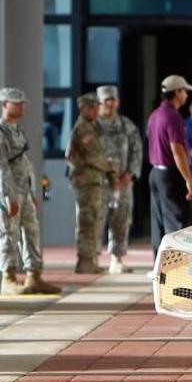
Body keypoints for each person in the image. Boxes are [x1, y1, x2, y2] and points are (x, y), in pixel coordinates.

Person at [0, 87, 61, 295]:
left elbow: (24, 164)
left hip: (23, 193)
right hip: (7, 194)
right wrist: (9, 197)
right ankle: (7, 278)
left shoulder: (16, 131)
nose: (21, 106)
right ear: (4, 104)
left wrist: (32, 193)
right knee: (8, 235)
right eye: (17, 103)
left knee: (31, 233)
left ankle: (34, 276)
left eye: (22, 103)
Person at [146, 75, 192, 258]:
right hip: (170, 175)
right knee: (177, 224)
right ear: (177, 92)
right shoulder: (173, 116)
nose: (186, 95)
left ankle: (158, 267)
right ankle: (177, 268)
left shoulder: (154, 115)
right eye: (184, 91)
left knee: (158, 223)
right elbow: (177, 151)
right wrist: (189, 180)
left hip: (155, 173)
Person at [66, 93, 118, 274]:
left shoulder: (92, 126)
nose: (96, 110)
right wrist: (110, 169)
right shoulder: (84, 128)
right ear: (83, 109)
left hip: (92, 180)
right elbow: (94, 156)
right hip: (85, 181)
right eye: (92, 107)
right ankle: (85, 261)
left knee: (93, 219)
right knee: (87, 220)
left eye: (96, 107)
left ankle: (89, 259)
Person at [97, 85, 144, 274]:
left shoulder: (126, 126)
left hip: (122, 182)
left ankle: (116, 258)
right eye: (106, 100)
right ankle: (90, 259)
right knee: (94, 221)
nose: (110, 104)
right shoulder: (89, 126)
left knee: (121, 220)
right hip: (97, 183)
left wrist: (131, 173)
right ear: (99, 103)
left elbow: (137, 149)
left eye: (113, 100)